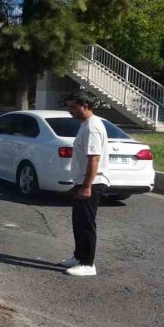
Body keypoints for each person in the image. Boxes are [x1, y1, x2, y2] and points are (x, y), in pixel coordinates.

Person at [60, 90, 110, 277]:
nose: (70, 111)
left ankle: (88, 263)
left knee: (86, 223)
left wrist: (87, 186)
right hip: (83, 180)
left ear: (85, 106)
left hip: (91, 182)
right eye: (69, 107)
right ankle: (78, 256)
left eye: (73, 107)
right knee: (78, 221)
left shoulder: (92, 128)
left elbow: (94, 159)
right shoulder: (85, 125)